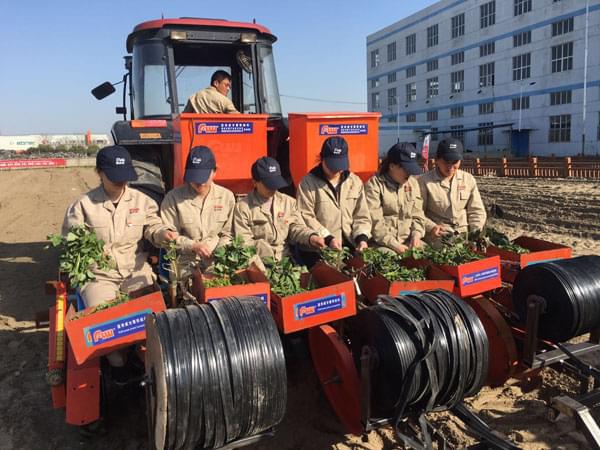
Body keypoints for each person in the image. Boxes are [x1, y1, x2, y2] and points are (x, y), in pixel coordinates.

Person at [62, 145, 177, 368]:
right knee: (108, 333)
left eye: (124, 177)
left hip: (135, 270)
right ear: (99, 173)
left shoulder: (142, 201)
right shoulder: (83, 206)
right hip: (99, 276)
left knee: (153, 319)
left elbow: (152, 226)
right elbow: (71, 243)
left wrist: (163, 233)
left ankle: (142, 354)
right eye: (114, 177)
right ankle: (119, 360)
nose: (120, 182)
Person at [296, 136, 372, 266]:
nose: (336, 170)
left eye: (340, 166)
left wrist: (362, 239)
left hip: (349, 247)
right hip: (319, 249)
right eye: (332, 166)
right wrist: (328, 238)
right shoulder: (307, 183)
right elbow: (305, 216)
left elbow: (362, 216)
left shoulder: (354, 182)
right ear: (322, 159)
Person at [233, 157, 325, 260]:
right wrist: (261, 251)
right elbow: (244, 242)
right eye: (268, 185)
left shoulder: (288, 203)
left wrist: (310, 237)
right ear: (254, 182)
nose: (273, 188)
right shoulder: (243, 208)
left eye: (275, 183)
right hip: (258, 261)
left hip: (285, 261)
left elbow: (295, 227)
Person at [160, 146, 235, 267]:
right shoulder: (173, 198)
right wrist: (192, 246)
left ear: (214, 171)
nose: (199, 183)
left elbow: (228, 233)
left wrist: (219, 252)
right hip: (185, 262)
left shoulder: (227, 197)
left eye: (203, 177)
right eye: (195, 177)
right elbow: (169, 238)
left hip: (217, 262)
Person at [418, 138, 487, 246]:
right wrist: (431, 227)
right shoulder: (424, 181)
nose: (450, 167)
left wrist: (475, 233)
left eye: (455, 162)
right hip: (439, 236)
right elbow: (417, 213)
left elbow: (476, 210)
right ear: (437, 160)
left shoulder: (468, 179)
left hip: (465, 234)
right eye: (446, 162)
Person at [364, 142, 426, 254]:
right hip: (382, 243)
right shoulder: (374, 185)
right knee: (390, 259)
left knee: (427, 255)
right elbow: (376, 224)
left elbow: (418, 214)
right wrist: (394, 245)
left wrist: (416, 235)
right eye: (406, 169)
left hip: (408, 240)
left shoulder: (412, 183)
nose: (409, 174)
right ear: (392, 166)